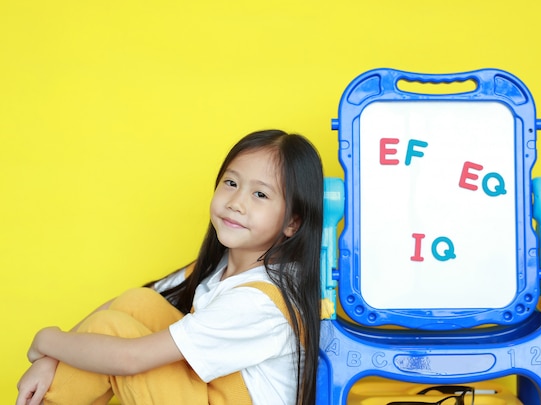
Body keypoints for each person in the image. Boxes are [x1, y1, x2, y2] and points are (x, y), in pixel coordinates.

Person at [16, 129, 324, 405]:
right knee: (138, 302)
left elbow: (130, 359)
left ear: (293, 222)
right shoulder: (220, 268)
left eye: (260, 194)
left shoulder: (258, 300)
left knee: (113, 331)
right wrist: (51, 359)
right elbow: (128, 306)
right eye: (231, 183)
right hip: (206, 393)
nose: (236, 202)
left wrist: (48, 339)